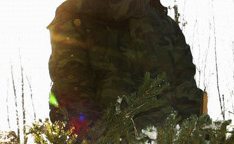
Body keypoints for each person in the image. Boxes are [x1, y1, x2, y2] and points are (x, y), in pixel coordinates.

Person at [48, 0, 206, 136]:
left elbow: (187, 96)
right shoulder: (74, 16)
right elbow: (70, 89)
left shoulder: (164, 25)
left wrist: (196, 142)